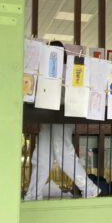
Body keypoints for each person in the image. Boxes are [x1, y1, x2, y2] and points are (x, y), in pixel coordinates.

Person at [24, 41, 100, 200]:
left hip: (62, 116)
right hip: (47, 116)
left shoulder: (69, 70)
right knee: (42, 156)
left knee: (63, 153)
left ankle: (90, 188)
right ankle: (33, 194)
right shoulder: (43, 71)